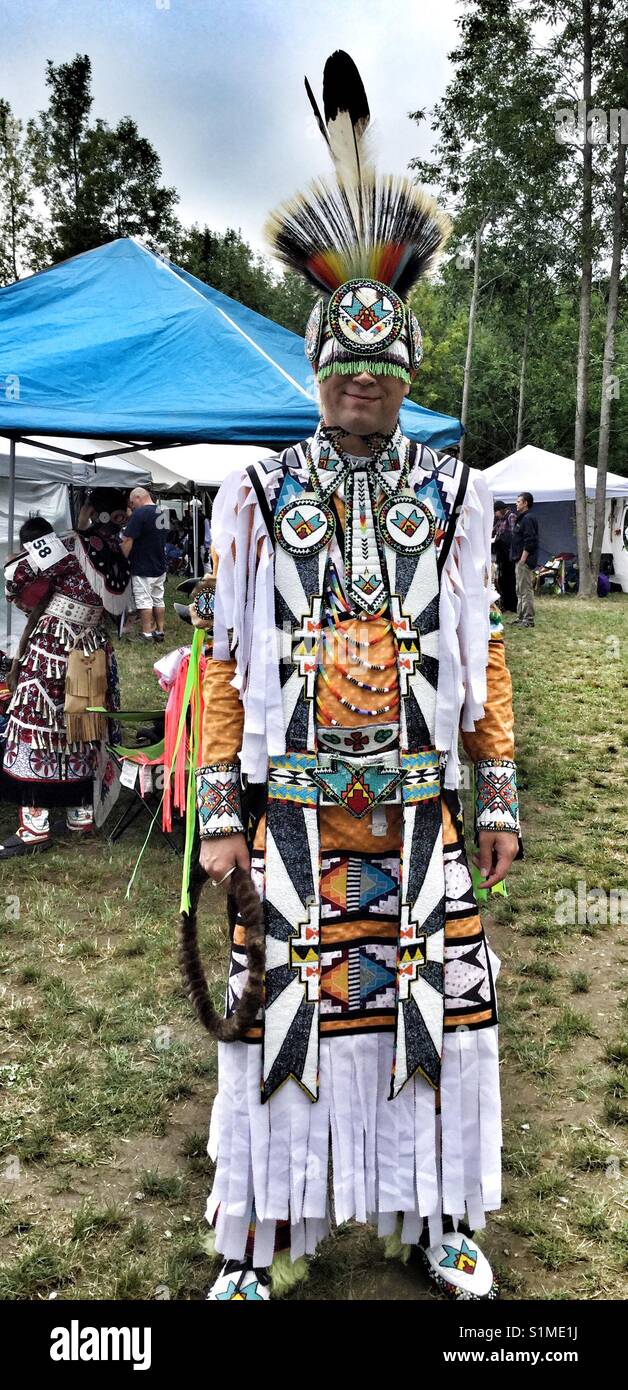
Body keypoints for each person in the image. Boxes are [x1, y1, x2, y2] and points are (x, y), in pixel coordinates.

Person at [196, 50, 521, 1302]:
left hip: (418, 810)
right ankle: (267, 1234)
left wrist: (493, 795)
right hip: (291, 814)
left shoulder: (453, 496)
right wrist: (220, 810)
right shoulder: (260, 494)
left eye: (381, 379)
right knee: (285, 1018)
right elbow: (225, 656)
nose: (360, 392)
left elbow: (483, 652)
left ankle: (433, 1218)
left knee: (428, 1017)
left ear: (405, 381)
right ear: (315, 370)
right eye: (341, 374)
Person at [0, 515, 130, 857]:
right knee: (82, 724)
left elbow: (16, 578)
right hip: (92, 647)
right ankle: (80, 816)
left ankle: (35, 826)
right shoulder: (111, 549)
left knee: (35, 723)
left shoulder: (66, 545)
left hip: (55, 648)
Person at [121, 487, 167, 643]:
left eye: (133, 502)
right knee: (158, 599)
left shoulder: (140, 513)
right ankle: (160, 631)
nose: (133, 506)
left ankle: (146, 634)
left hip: (143, 564)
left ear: (139, 497)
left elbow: (128, 540)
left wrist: (122, 558)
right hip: (160, 562)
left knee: (144, 601)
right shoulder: (163, 511)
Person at [510, 492, 539, 629]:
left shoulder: (528, 519)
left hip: (524, 561)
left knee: (525, 589)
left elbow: (530, 540)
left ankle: (528, 619)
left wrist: (523, 559)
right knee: (519, 589)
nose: (516, 503)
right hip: (518, 560)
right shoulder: (521, 519)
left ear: (525, 503)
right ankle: (521, 617)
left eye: (519, 501)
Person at [492, 501, 517, 612]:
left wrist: (500, 538)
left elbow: (513, 534)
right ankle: (505, 604)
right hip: (501, 554)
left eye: (496, 511)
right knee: (502, 580)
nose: (496, 514)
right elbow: (493, 531)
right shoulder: (499, 520)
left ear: (501, 509)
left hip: (509, 554)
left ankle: (512, 605)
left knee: (510, 580)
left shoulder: (511, 517)